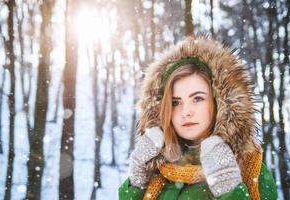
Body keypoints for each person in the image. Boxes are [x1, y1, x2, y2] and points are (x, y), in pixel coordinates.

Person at [118, 35, 278, 200]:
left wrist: (228, 188)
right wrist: (137, 181)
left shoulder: (250, 170)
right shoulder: (156, 173)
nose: (186, 112)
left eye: (198, 99)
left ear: (220, 103)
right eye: (175, 102)